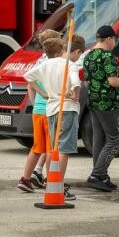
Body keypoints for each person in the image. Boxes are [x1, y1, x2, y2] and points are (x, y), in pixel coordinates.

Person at [24, 36, 83, 199]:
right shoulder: (70, 65)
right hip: (66, 108)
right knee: (63, 149)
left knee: (54, 147)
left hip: (51, 110)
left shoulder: (47, 63)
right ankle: (58, 185)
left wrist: (44, 93)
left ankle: (52, 182)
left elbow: (28, 77)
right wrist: (75, 95)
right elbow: (76, 83)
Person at [16, 30, 61, 193]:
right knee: (51, 149)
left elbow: (30, 83)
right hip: (50, 110)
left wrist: (36, 103)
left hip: (38, 110)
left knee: (37, 148)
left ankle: (25, 179)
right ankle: (50, 181)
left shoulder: (39, 61)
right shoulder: (55, 64)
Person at [83, 25, 119, 192]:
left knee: (98, 139)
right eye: (114, 39)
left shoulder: (88, 55)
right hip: (108, 103)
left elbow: (86, 82)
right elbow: (113, 82)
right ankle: (96, 174)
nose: (115, 43)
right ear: (109, 39)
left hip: (93, 101)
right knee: (115, 138)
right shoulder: (108, 56)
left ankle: (101, 176)